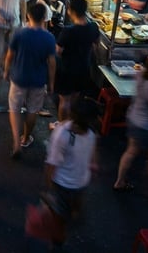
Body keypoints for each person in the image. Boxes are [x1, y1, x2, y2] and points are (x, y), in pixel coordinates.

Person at [43, 98, 98, 250]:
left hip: (76, 182)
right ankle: (59, 239)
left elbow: (51, 163)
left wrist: (48, 187)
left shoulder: (89, 132)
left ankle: (60, 232)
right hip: (66, 183)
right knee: (63, 212)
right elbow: (52, 162)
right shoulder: (64, 134)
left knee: (62, 213)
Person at [4, 2, 56, 159]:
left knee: (14, 109)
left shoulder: (19, 33)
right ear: (44, 18)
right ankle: (26, 138)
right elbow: (52, 63)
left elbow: (9, 56)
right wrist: (51, 83)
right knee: (32, 110)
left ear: (28, 16)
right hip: (38, 80)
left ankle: (16, 143)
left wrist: (6, 71)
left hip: (18, 77)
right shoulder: (49, 38)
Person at [113, 51, 148, 193]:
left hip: (134, 119)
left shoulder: (140, 74)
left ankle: (119, 181)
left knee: (131, 151)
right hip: (147, 127)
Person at [54, 0, 99, 122]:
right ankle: (70, 124)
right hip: (83, 69)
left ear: (71, 11)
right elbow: (96, 44)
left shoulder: (68, 31)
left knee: (64, 100)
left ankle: (62, 126)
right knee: (74, 99)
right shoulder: (93, 27)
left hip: (67, 70)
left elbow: (58, 51)